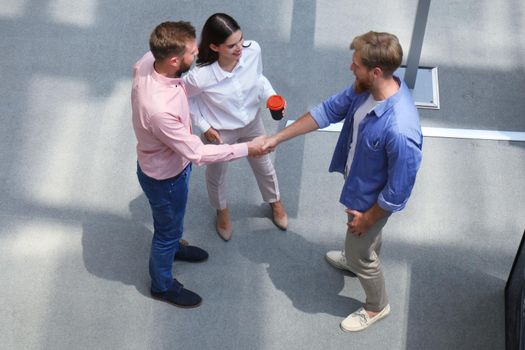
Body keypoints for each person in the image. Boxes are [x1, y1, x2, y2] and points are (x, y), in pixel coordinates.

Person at [263, 31, 423, 331]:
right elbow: (328, 110)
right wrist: (278, 138)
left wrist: (367, 219)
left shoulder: (401, 129)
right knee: (364, 242)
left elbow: (397, 193)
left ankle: (377, 305)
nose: (352, 69)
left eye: (356, 65)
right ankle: (358, 254)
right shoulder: (367, 89)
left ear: (376, 72)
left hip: (369, 203)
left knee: (361, 250)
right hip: (359, 184)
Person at [131, 21, 267, 308]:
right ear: (174, 60)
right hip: (166, 178)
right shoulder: (160, 111)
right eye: (194, 52)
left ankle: (174, 246)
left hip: (166, 168)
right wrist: (247, 147)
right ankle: (162, 285)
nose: (199, 55)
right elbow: (199, 154)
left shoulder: (148, 62)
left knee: (172, 222)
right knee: (166, 233)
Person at [183, 13, 288, 241]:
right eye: (231, 45)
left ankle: (275, 202)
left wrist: (271, 96)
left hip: (252, 122)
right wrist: (204, 126)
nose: (240, 48)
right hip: (221, 133)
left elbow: (259, 78)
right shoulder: (200, 77)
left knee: (264, 165)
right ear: (214, 46)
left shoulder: (253, 51)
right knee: (217, 175)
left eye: (241, 40)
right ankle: (222, 211)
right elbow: (187, 99)